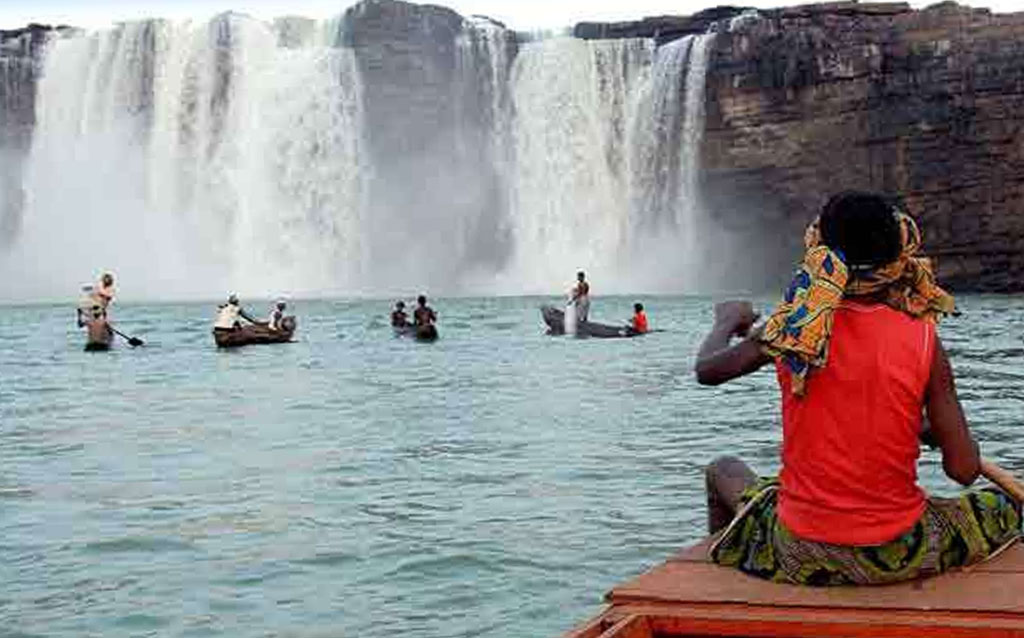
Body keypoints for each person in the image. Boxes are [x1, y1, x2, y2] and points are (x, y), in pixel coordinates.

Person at [694, 191, 1021, 586]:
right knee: (1005, 506)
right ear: (897, 256)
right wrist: (936, 430)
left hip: (798, 550)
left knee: (723, 470)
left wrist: (727, 321)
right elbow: (964, 470)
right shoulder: (922, 341)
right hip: (898, 552)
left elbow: (708, 370)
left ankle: (718, 587)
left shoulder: (793, 331)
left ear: (820, 252)